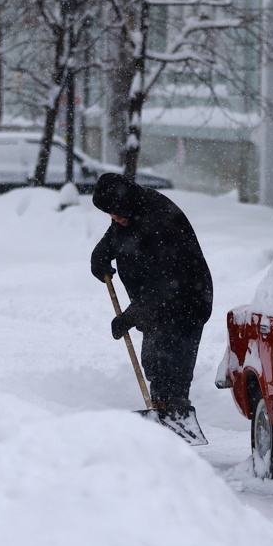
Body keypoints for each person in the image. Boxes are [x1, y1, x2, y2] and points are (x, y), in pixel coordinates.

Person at [90, 173, 213, 420]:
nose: (114, 218)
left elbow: (164, 282)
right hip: (155, 303)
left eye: (116, 212)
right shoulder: (129, 211)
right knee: (154, 361)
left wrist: (130, 316)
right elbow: (116, 236)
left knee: (173, 366)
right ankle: (161, 411)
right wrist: (100, 256)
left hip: (186, 301)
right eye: (110, 214)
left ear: (125, 203)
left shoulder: (160, 218)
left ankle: (176, 417)